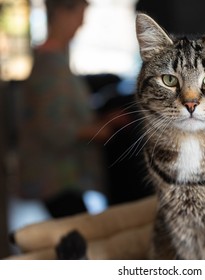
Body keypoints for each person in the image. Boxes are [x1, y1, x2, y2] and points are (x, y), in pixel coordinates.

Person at [17, 0, 116, 219]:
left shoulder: (55, 59)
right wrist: (103, 129)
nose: (81, 24)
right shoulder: (50, 64)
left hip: (61, 179)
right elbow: (55, 129)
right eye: (80, 16)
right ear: (62, 13)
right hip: (54, 180)